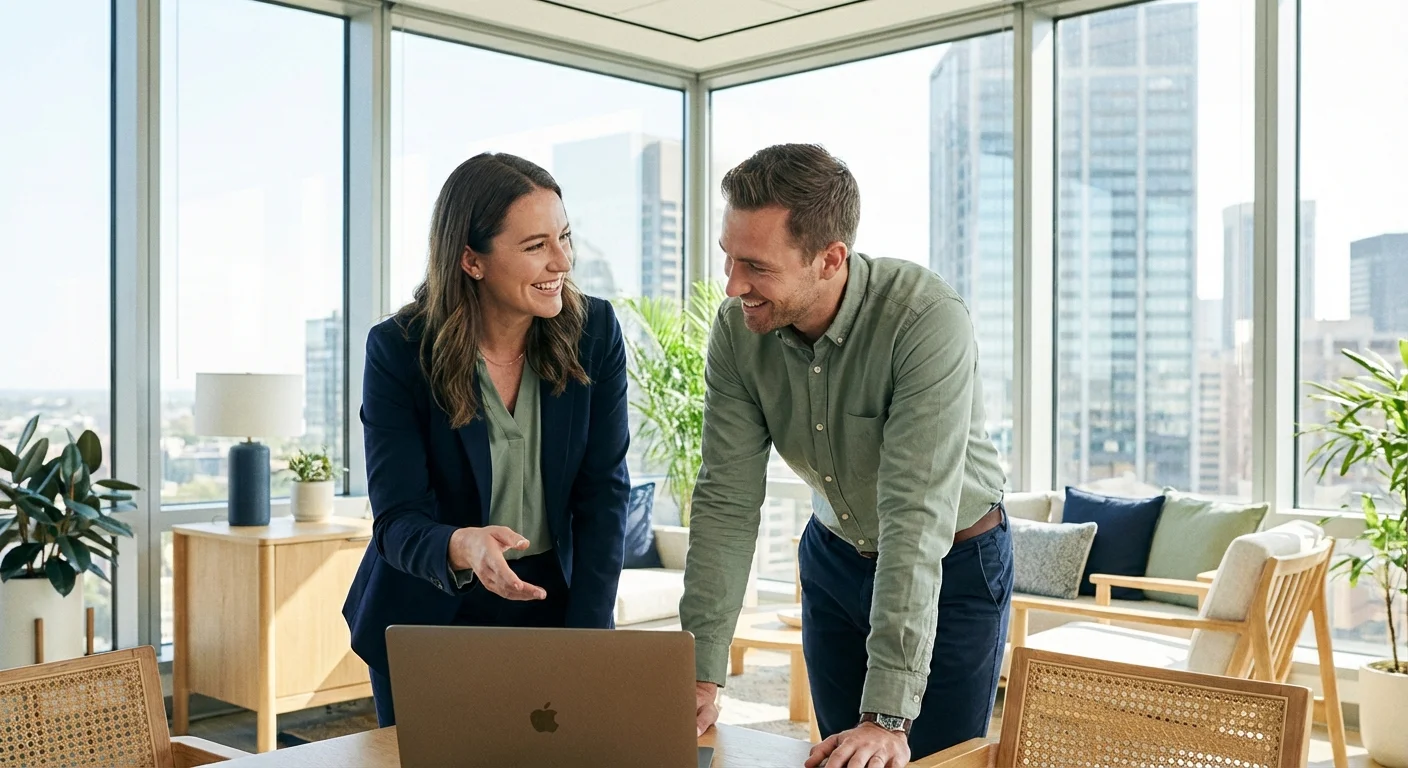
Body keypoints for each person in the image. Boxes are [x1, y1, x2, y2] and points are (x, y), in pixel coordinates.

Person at [680, 144, 1012, 767]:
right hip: (833, 559)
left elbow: (915, 518)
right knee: (837, 757)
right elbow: (726, 498)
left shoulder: (924, 319)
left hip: (954, 561)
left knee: (929, 757)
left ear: (830, 258)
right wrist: (700, 672)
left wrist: (887, 716)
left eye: (755, 265)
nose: (732, 286)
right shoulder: (736, 330)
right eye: (728, 258)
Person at [342, 152, 631, 727]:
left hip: (554, 601)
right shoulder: (399, 350)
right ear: (471, 260)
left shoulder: (595, 331)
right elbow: (397, 519)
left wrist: (590, 640)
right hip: (429, 612)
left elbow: (604, 498)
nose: (562, 261)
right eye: (535, 246)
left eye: (565, 237)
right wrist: (462, 545)